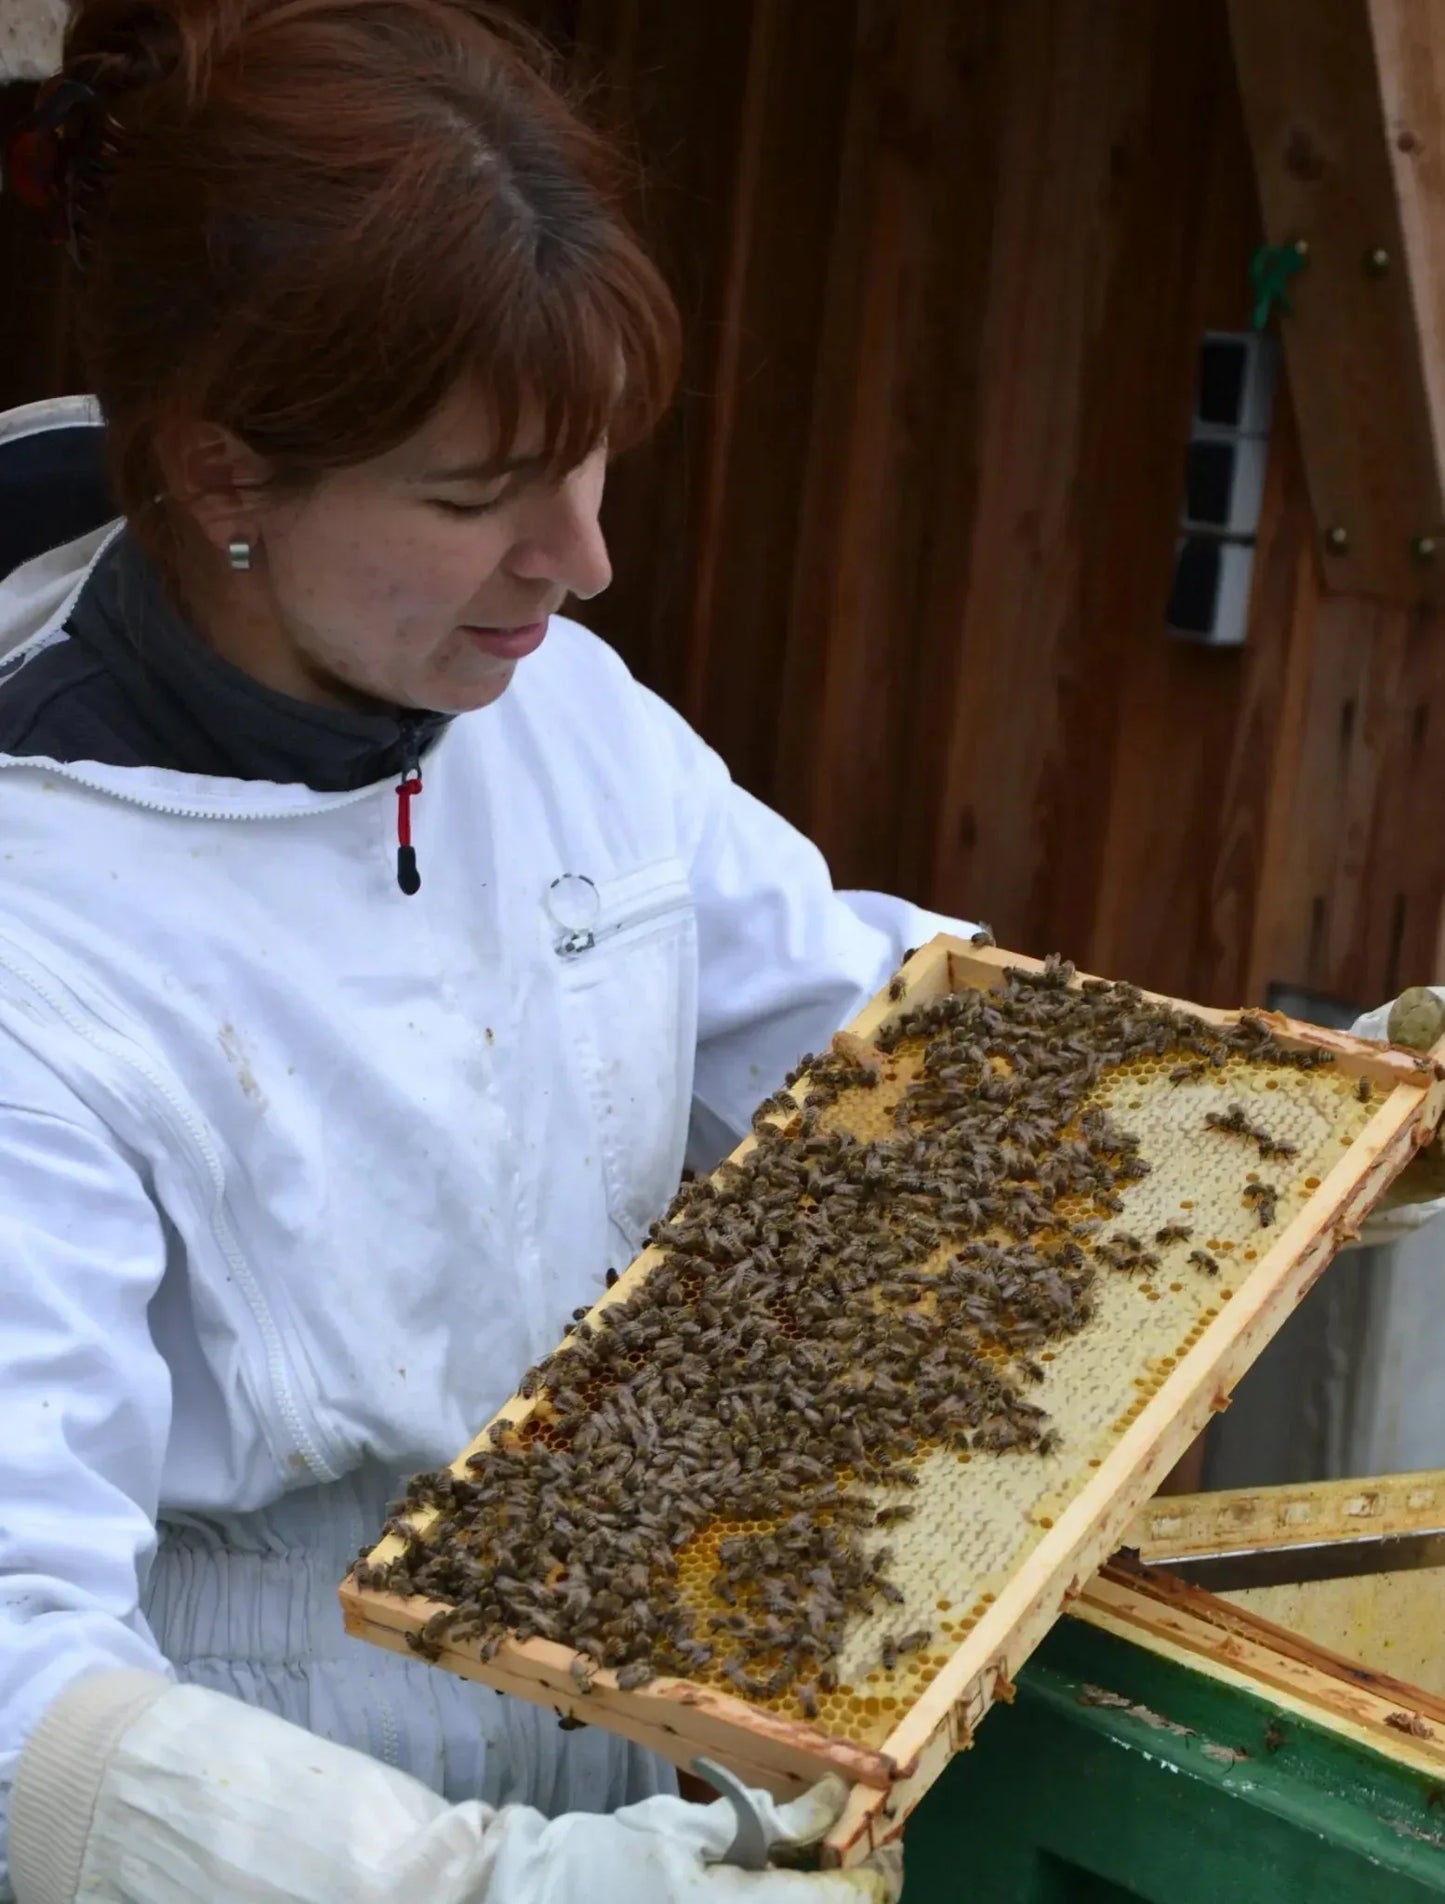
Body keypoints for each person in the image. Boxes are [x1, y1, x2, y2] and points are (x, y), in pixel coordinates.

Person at [0, 3, 954, 1898]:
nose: (579, 558)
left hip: (648, 1719)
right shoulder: (38, 938)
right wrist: (474, 1886)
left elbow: (856, 1040)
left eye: (590, 464)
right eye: (473, 497)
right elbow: (19, 1686)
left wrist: (1281, 1117)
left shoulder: (560, 710)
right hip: (271, 1806)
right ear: (223, 481)